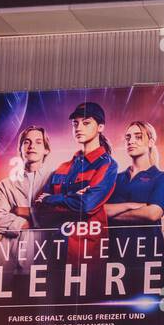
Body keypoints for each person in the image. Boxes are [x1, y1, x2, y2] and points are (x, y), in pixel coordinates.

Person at [33, 101, 118, 265]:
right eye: (75, 123)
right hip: (55, 249)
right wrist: (73, 199)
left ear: (100, 127)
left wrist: (52, 199)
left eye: (86, 123)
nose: (79, 128)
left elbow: (87, 205)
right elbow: (39, 209)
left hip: (86, 252)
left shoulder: (107, 165)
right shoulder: (63, 167)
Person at [0, 125, 53, 271]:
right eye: (26, 142)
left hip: (42, 253)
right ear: (20, 149)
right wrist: (29, 222)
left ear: (46, 149)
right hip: (8, 255)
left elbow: (58, 215)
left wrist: (21, 211)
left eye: (38, 142)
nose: (32, 146)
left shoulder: (54, 179)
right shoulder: (6, 185)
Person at [105, 121, 164, 227]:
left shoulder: (162, 178)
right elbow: (99, 210)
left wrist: (112, 214)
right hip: (116, 242)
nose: (131, 141)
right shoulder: (115, 178)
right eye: (128, 137)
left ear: (150, 142)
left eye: (138, 137)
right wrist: (130, 205)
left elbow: (153, 214)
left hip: (148, 242)